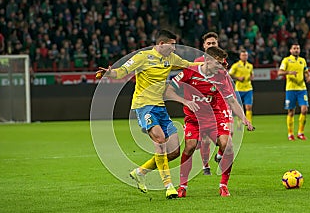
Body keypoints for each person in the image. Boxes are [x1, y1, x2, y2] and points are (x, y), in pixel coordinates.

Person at [96, 30, 201, 199]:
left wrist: (211, 65)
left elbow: (189, 65)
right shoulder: (142, 57)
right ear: (161, 44)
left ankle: (140, 172)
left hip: (160, 107)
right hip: (144, 106)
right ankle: (168, 186)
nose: (174, 49)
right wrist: (109, 73)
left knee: (174, 151)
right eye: (172, 45)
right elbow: (121, 71)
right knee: (160, 140)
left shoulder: (171, 59)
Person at [165, 46, 254, 197]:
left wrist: (244, 118)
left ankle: (223, 185)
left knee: (228, 146)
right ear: (206, 60)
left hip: (215, 118)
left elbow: (231, 101)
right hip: (194, 119)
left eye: (221, 63)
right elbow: (168, 90)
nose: (219, 66)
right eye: (217, 63)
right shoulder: (190, 71)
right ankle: (183, 187)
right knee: (190, 147)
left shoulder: (220, 76)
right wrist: (184, 101)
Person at [194, 32, 229, 175]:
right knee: (206, 138)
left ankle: (220, 154)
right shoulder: (198, 61)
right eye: (208, 43)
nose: (211, 45)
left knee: (228, 132)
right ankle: (205, 165)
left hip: (221, 101)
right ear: (203, 46)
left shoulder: (223, 61)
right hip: (205, 103)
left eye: (213, 43)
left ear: (217, 44)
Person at [277, 42, 310, 141]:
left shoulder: (302, 60)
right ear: (291, 50)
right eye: (294, 48)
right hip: (291, 89)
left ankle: (300, 132)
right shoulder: (286, 60)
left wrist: (309, 76)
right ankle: (290, 134)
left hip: (302, 89)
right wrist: (288, 72)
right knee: (291, 112)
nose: (296, 50)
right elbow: (279, 72)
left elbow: (306, 71)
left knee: (304, 110)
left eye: (298, 48)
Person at [229, 49, 254, 124]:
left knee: (248, 107)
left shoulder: (250, 66)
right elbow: (229, 74)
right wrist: (237, 78)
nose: (244, 57)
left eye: (246, 55)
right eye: (243, 55)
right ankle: (240, 123)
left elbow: (251, 74)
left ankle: (249, 122)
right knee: (239, 107)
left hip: (248, 88)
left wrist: (251, 77)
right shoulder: (236, 65)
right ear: (240, 56)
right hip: (238, 89)